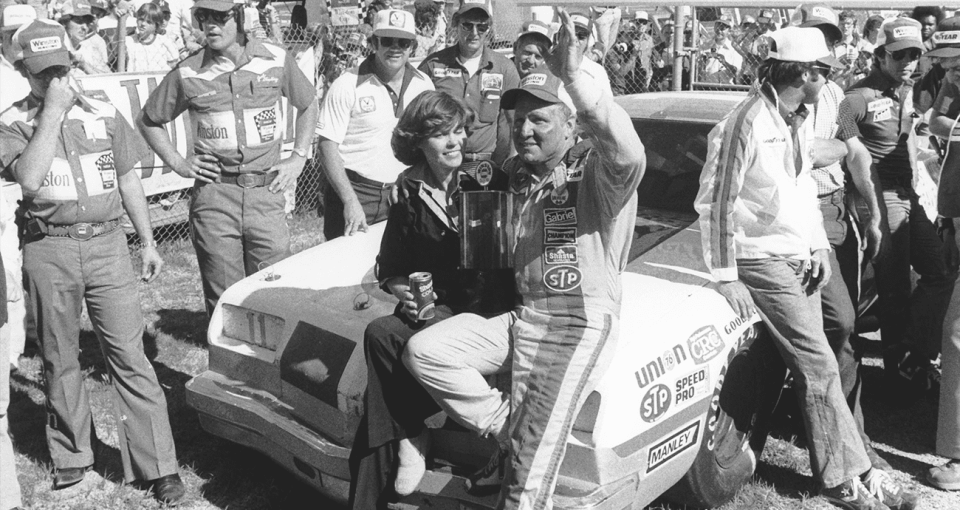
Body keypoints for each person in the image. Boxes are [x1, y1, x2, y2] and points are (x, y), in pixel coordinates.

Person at [404, 8, 645, 506]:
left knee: (529, 469)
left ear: (572, 123)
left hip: (574, 321)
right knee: (426, 351)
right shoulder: (512, 172)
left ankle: (520, 450)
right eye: (517, 119)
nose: (525, 129)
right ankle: (509, 427)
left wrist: (575, 77)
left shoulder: (597, 171)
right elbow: (478, 239)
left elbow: (628, 154)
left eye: (539, 117)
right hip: (522, 316)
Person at [695, 25, 918, 510]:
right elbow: (715, 205)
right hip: (761, 259)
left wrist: (817, 246)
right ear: (801, 71)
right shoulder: (745, 123)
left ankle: (850, 468)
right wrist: (727, 275)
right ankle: (848, 477)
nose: (827, 79)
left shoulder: (797, 117)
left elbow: (799, 195)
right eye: (822, 70)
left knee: (822, 356)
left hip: (797, 256)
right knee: (818, 361)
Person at [0, 19, 185, 503]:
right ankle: (71, 459)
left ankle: (158, 467)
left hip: (107, 245)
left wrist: (147, 240)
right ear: (22, 71)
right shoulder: (13, 121)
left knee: (129, 354)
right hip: (49, 246)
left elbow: (128, 179)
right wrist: (52, 115)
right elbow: (31, 179)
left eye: (60, 68)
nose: (54, 81)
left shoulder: (104, 111)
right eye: (43, 73)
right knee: (60, 359)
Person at [348, 90, 517, 509]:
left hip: (488, 309)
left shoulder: (487, 177)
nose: (455, 142)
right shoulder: (408, 189)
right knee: (381, 332)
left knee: (384, 373)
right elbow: (389, 266)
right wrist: (401, 290)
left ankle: (408, 440)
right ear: (418, 141)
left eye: (459, 130)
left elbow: (507, 264)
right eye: (442, 134)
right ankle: (410, 436)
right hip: (438, 308)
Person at [139, 0, 318, 316]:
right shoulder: (188, 71)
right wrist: (179, 163)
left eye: (220, 17)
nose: (210, 25)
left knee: (275, 290)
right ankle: (231, 361)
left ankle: (273, 364)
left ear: (240, 17)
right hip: (215, 198)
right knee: (226, 299)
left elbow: (308, 104)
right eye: (203, 16)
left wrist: (298, 157)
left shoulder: (275, 59)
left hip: (267, 194)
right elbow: (149, 120)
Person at [791, 3, 899, 477]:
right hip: (797, 221)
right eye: (814, 32)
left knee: (844, 330)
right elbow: (793, 157)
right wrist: (821, 151)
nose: (823, 43)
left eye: (829, 36)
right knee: (839, 322)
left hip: (835, 213)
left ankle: (850, 434)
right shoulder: (780, 91)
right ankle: (841, 437)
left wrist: (873, 216)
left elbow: (851, 152)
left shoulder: (834, 91)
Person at [840, 17, 955, 395]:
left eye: (915, 54)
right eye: (899, 54)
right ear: (879, 55)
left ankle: (913, 352)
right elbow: (845, 147)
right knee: (894, 289)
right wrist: (871, 211)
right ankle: (898, 374)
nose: (908, 61)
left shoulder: (911, 91)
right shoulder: (855, 97)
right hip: (881, 195)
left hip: (910, 192)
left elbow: (926, 127)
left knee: (939, 273)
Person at [317, 9, 434, 241]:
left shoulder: (424, 85)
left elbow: (429, 140)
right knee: (349, 269)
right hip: (357, 193)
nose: (395, 48)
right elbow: (326, 147)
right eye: (387, 41)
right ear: (373, 42)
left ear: (412, 45)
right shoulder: (346, 84)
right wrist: (350, 201)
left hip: (403, 192)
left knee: (399, 269)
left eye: (403, 42)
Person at [419, 0, 520, 177]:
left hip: (487, 167)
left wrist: (507, 166)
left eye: (481, 27)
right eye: (467, 25)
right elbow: (417, 118)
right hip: (442, 166)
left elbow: (512, 123)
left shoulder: (504, 68)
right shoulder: (433, 65)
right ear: (455, 24)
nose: (474, 33)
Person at [926, 34, 960, 492]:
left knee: (956, 334)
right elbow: (936, 121)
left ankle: (956, 457)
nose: (951, 70)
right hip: (956, 212)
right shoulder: (953, 81)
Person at [60, 0, 110, 74]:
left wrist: (84, 65)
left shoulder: (91, 49)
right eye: (79, 21)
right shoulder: (55, 51)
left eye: (87, 22)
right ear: (64, 22)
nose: (85, 27)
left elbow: (110, 79)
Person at [125, 2, 177, 71]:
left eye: (149, 22)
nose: (143, 24)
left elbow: (173, 65)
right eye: (141, 19)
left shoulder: (164, 42)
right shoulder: (129, 41)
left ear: (156, 25)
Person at [699, 14, 742, 85]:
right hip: (707, 86)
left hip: (726, 87)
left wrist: (724, 62)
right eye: (717, 27)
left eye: (722, 28)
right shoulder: (705, 46)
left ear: (729, 30)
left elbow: (736, 72)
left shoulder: (734, 49)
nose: (719, 30)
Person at [911, 6, 945, 79]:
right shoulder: (910, 46)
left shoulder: (940, 48)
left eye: (930, 24)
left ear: (937, 25)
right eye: (922, 24)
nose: (926, 27)